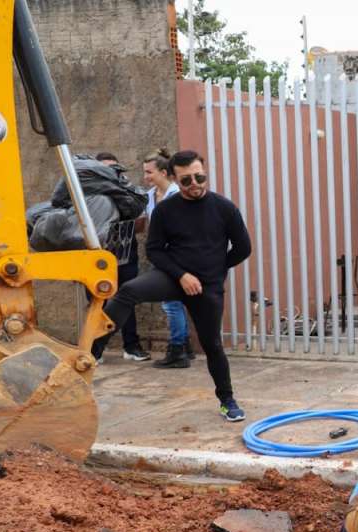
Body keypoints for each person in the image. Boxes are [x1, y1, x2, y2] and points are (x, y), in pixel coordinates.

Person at [90, 150, 250, 421]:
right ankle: (92, 353)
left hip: (206, 287)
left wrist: (215, 272)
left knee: (212, 344)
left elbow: (243, 248)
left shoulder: (224, 208)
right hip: (173, 277)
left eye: (200, 177)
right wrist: (182, 275)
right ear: (174, 179)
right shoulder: (166, 210)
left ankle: (227, 400)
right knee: (128, 291)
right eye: (186, 180)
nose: (195, 184)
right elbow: (154, 250)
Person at [140, 149, 196, 369]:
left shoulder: (176, 195)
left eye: (149, 172)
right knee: (174, 303)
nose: (146, 177)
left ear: (164, 172)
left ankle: (177, 350)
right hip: (161, 255)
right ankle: (184, 347)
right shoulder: (150, 196)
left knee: (171, 303)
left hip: (175, 256)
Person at [92, 152, 151, 362]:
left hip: (126, 255)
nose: (111, 172)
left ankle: (131, 347)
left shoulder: (128, 191)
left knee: (127, 299)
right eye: (105, 168)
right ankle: (94, 351)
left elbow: (142, 222)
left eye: (114, 168)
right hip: (97, 258)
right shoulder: (89, 194)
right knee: (97, 302)